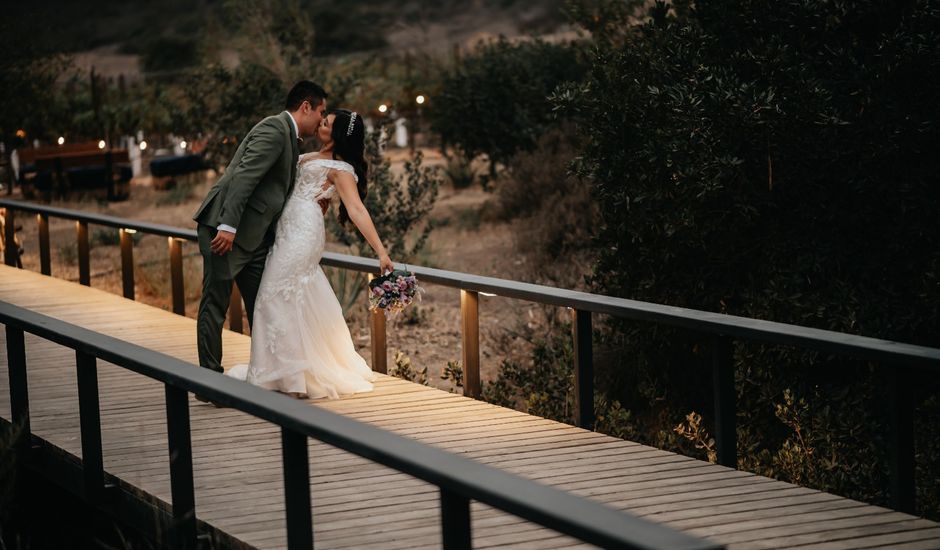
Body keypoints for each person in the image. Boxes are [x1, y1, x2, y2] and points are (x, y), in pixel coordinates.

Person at [226, 109, 394, 399]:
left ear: (336, 134)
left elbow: (356, 209)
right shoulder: (306, 156)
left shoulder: (340, 169)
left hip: (304, 232)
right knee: (284, 297)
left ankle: (290, 379)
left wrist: (381, 251)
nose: (321, 123)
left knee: (273, 294)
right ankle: (285, 372)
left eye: (327, 123)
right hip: (285, 230)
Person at [192, 81, 328, 392]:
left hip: (254, 239)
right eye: (320, 112)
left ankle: (269, 375)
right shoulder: (273, 129)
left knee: (264, 305)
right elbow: (244, 177)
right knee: (215, 305)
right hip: (226, 232)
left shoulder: (292, 139)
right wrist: (227, 226)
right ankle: (209, 384)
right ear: (305, 106)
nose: (321, 120)